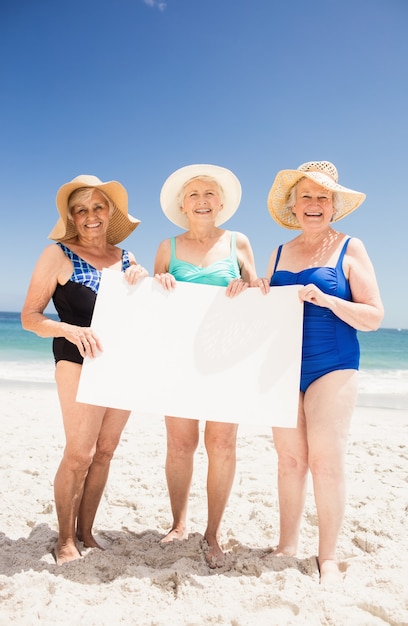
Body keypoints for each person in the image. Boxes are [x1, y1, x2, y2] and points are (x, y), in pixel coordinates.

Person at [256, 161, 384, 585]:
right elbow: (263, 311)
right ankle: (287, 544)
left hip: (334, 365)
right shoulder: (276, 253)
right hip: (282, 368)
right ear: (293, 205)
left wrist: (329, 302)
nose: (314, 204)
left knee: (325, 462)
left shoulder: (351, 247)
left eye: (323, 197)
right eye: (306, 196)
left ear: (333, 206)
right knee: (290, 461)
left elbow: (373, 316)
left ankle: (326, 557)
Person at [21, 174, 148, 565]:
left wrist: (145, 283)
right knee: (79, 453)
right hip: (76, 360)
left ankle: (87, 532)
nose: (90, 215)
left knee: (105, 452)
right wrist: (69, 329)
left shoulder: (127, 258)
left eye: (97, 207)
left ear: (109, 212)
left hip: (122, 364)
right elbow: (29, 317)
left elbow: (146, 312)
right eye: (81, 210)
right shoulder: (57, 255)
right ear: (73, 218)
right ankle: (64, 540)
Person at [154, 164, 258, 567]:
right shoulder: (168, 247)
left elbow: (261, 295)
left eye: (210, 194)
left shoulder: (239, 242)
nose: (202, 201)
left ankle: (212, 533)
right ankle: (178, 524)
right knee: (180, 445)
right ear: (183, 204)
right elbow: (151, 307)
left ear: (221, 203)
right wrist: (155, 282)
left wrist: (249, 286)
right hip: (179, 361)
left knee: (222, 445)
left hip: (226, 361)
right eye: (194, 194)